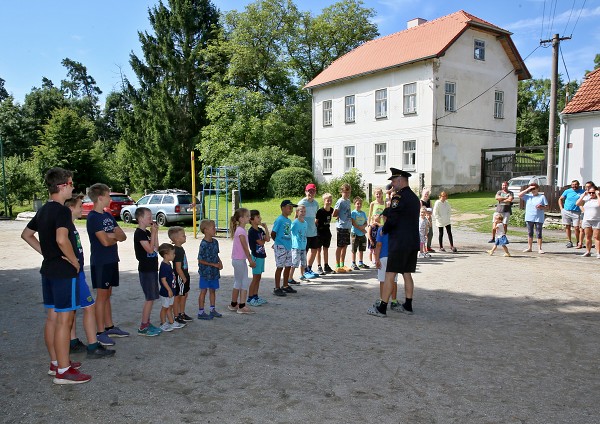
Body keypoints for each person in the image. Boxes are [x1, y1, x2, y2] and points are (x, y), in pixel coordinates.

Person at [21, 167, 92, 384]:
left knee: (53, 318)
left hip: (49, 270)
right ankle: (63, 371)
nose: (73, 187)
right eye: (71, 184)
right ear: (62, 186)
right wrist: (73, 261)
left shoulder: (43, 209)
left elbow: (27, 235)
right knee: (65, 320)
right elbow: (62, 239)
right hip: (63, 272)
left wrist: (47, 253)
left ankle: (56, 363)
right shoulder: (62, 211)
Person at [64, 194, 116, 358]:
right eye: (79, 206)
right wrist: (73, 261)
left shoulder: (70, 226)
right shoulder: (64, 228)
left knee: (71, 309)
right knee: (88, 307)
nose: (82, 208)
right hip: (73, 273)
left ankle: (72, 341)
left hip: (76, 273)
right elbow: (60, 245)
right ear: (71, 208)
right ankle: (93, 346)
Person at [368, 168, 420, 317]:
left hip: (400, 242)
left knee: (390, 273)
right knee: (407, 273)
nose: (392, 184)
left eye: (393, 181)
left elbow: (393, 217)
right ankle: (408, 305)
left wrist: (385, 229)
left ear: (399, 180)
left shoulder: (399, 198)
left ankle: (382, 307)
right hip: (412, 242)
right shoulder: (415, 198)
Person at [86, 183, 128, 346]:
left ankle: (110, 327)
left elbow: (123, 236)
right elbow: (104, 242)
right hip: (101, 262)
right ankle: (100, 332)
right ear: (101, 198)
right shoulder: (93, 218)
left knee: (108, 294)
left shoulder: (108, 216)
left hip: (112, 260)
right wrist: (113, 236)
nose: (110, 198)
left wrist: (111, 236)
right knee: (101, 297)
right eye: (109, 196)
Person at [133, 207, 162, 337]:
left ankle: (147, 323)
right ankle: (143, 326)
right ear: (140, 219)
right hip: (146, 270)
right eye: (149, 217)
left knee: (152, 297)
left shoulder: (147, 233)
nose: (151, 219)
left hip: (152, 268)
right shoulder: (139, 233)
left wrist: (155, 233)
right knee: (149, 298)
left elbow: (156, 248)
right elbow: (149, 250)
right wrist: (154, 233)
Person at [229, 208, 256, 313]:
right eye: (247, 216)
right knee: (243, 282)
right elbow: (245, 247)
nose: (249, 218)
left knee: (238, 281)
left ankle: (234, 304)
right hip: (240, 260)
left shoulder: (240, 230)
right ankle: (241, 306)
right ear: (241, 219)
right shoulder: (241, 231)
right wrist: (251, 260)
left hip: (238, 260)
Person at [197, 219, 223, 319]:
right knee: (203, 291)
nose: (215, 229)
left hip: (214, 272)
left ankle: (212, 309)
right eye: (213, 227)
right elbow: (200, 260)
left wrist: (220, 263)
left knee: (213, 290)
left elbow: (216, 254)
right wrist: (213, 264)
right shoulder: (203, 244)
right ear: (206, 230)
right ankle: (201, 312)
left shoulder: (215, 242)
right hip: (205, 272)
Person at [271, 200, 297, 296]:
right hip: (281, 246)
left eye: (292, 207)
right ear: (282, 208)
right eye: (289, 207)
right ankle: (277, 288)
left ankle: (285, 285)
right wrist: (278, 243)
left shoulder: (288, 221)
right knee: (280, 267)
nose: (291, 209)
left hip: (288, 246)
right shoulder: (279, 220)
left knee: (288, 266)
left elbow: (287, 233)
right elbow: (273, 233)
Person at [158, 243, 185, 331]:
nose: (174, 255)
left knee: (169, 307)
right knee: (165, 308)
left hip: (171, 291)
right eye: (172, 253)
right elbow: (163, 280)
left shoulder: (168, 264)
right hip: (166, 292)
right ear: (166, 255)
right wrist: (169, 290)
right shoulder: (164, 266)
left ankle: (172, 322)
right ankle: (163, 323)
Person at [168, 226, 193, 323]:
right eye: (183, 235)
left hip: (184, 275)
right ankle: (177, 315)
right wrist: (183, 277)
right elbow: (178, 267)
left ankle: (182, 313)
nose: (185, 236)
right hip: (180, 277)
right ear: (176, 239)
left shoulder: (180, 249)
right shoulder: (177, 251)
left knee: (184, 295)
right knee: (178, 296)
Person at [247, 210, 270, 306]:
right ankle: (250, 298)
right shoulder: (252, 231)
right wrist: (263, 240)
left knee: (259, 277)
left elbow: (268, 239)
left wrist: (265, 228)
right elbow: (261, 242)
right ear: (251, 220)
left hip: (261, 255)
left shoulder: (260, 230)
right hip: (256, 256)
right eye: (257, 217)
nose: (260, 218)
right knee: (255, 277)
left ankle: (255, 296)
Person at [518, 182, 548, 254]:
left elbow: (547, 207)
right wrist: (528, 189)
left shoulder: (542, 197)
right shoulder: (528, 196)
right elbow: (519, 195)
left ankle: (539, 248)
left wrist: (541, 207)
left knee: (538, 232)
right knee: (530, 232)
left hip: (538, 217)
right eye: (532, 189)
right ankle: (529, 247)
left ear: (537, 189)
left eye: (534, 188)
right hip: (529, 217)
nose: (533, 190)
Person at [373, 221, 398, 307]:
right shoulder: (397, 229)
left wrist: (376, 259)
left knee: (383, 280)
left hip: (383, 257)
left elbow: (379, 245)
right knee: (394, 280)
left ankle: (382, 300)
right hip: (394, 257)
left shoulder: (382, 229)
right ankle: (394, 301)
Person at [298, 183, 320, 279]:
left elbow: (316, 217)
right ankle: (302, 272)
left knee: (314, 250)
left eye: (313, 191)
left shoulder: (316, 203)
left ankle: (308, 268)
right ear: (306, 191)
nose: (311, 193)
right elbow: (297, 218)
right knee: (304, 253)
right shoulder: (302, 203)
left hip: (313, 232)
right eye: (309, 191)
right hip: (304, 233)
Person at [575, 183, 600, 258]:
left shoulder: (598, 199)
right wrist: (583, 195)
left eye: (593, 192)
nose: (591, 194)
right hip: (587, 220)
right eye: (590, 192)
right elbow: (578, 203)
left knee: (597, 237)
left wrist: (598, 195)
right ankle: (588, 251)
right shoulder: (586, 199)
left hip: (597, 220)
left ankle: (598, 252)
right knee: (588, 236)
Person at [559, 180, 585, 249]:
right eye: (573, 184)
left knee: (577, 227)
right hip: (567, 211)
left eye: (576, 184)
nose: (574, 186)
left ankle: (578, 241)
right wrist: (561, 208)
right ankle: (569, 241)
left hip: (577, 211)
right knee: (567, 226)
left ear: (578, 185)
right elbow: (560, 199)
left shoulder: (582, 192)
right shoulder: (567, 191)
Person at [333, 183, 353, 273]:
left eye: (348, 192)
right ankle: (337, 265)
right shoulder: (340, 201)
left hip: (347, 226)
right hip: (341, 226)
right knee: (340, 246)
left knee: (345, 246)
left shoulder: (348, 201)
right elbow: (334, 214)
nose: (347, 194)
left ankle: (342, 264)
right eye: (345, 192)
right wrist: (338, 215)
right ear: (341, 192)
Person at [315, 193, 334, 274]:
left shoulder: (332, 210)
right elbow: (316, 222)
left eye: (330, 200)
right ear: (324, 201)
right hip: (319, 232)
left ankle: (326, 265)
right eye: (327, 200)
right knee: (318, 250)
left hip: (327, 232)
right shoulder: (320, 211)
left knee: (326, 249)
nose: (329, 202)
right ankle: (319, 266)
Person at [290, 205, 308, 284]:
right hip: (296, 246)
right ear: (297, 212)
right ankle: (290, 277)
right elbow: (289, 232)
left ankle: (302, 275)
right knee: (294, 262)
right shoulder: (295, 223)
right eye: (301, 211)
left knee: (303, 262)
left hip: (303, 245)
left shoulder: (305, 223)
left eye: (304, 211)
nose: (303, 213)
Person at [350, 196, 369, 270]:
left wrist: (363, 227)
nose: (359, 205)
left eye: (360, 203)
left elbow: (365, 223)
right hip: (355, 233)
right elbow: (353, 223)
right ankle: (353, 263)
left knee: (361, 249)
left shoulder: (363, 213)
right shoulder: (353, 213)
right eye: (357, 203)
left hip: (362, 234)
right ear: (354, 204)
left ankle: (360, 262)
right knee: (354, 249)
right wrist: (361, 228)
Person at [419, 188, 434, 252]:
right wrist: (426, 214)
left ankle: (428, 246)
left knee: (430, 233)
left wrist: (429, 214)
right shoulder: (421, 202)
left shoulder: (429, 201)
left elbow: (431, 209)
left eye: (427, 194)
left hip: (429, 218)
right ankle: (423, 248)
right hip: (423, 219)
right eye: (425, 194)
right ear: (423, 194)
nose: (426, 195)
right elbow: (421, 211)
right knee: (423, 234)